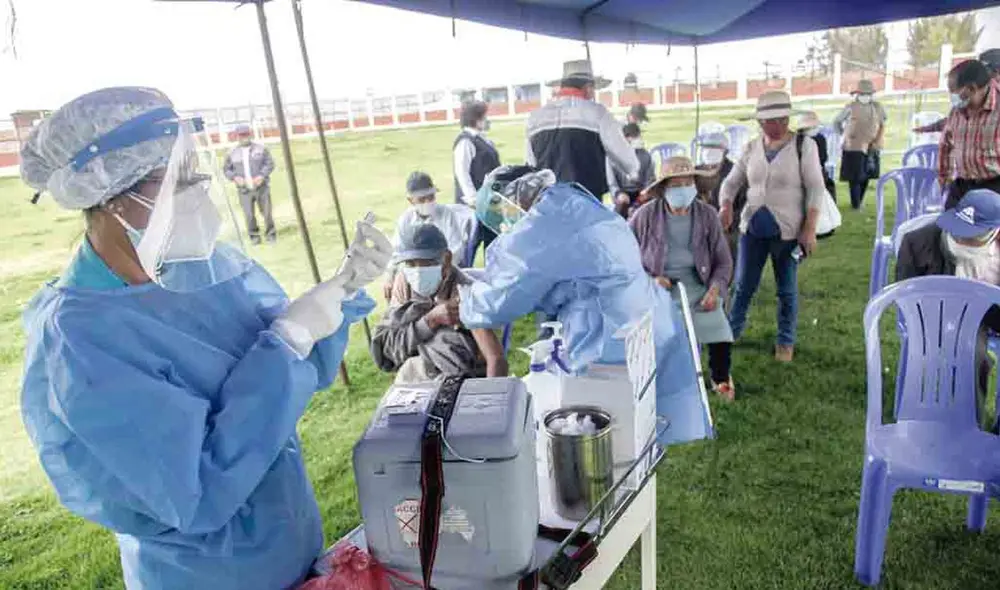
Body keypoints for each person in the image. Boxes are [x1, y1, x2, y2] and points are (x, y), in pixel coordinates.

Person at [17, 87, 393, 589]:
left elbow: (298, 375)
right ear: (109, 196)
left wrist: (336, 298)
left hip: (289, 541)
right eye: (175, 180)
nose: (196, 193)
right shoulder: (82, 337)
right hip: (206, 572)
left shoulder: (206, 267)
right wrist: (286, 341)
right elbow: (197, 490)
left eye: (196, 174)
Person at [465, 165, 712, 444]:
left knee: (603, 436)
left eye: (504, 214)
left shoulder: (543, 221)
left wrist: (466, 303)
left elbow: (502, 294)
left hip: (608, 337)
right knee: (638, 429)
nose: (508, 225)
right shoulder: (573, 201)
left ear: (514, 197)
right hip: (644, 316)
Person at [719, 90, 826, 363]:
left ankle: (785, 341)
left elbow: (816, 188)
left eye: (780, 119)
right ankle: (731, 330)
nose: (775, 125)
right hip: (752, 227)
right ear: (760, 122)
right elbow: (731, 182)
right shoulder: (751, 148)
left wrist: (809, 228)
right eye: (768, 120)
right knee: (743, 285)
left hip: (789, 231)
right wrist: (726, 204)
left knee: (786, 289)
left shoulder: (805, 146)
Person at [630, 156, 736, 400]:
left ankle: (720, 378)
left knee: (718, 327)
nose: (682, 191)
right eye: (675, 185)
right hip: (659, 288)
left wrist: (716, 289)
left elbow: (724, 261)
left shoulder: (707, 215)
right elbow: (625, 260)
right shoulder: (643, 216)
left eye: (687, 184)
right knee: (662, 332)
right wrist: (650, 281)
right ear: (663, 189)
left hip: (698, 285)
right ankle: (661, 376)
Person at [896, 189, 1000, 407]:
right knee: (973, 354)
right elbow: (907, 297)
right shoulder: (917, 243)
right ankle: (967, 422)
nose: (962, 238)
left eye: (972, 234)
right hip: (942, 314)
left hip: (991, 313)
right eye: (959, 231)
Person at [372, 223, 507, 383]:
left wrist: (490, 398)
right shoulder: (405, 282)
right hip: (417, 377)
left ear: (447, 259)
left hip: (459, 380)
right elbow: (389, 350)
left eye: (427, 263)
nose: (417, 271)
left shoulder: (465, 293)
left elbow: (496, 359)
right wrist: (431, 320)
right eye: (410, 264)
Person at [526, 59, 639, 200]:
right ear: (588, 87)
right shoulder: (598, 114)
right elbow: (627, 160)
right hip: (586, 200)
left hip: (548, 200)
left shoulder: (535, 118)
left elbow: (531, 165)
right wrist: (635, 175)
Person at [383, 171, 469, 299]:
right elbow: (396, 252)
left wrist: (439, 269)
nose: (428, 202)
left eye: (431, 197)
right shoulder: (405, 219)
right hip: (414, 272)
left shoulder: (446, 214)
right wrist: (389, 277)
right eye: (422, 199)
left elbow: (456, 249)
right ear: (411, 200)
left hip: (443, 270)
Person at [939, 59, 1000, 210]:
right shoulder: (958, 109)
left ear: (971, 88)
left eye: (954, 91)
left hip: (995, 187)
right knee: (948, 230)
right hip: (963, 185)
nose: (952, 96)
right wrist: (944, 175)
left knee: (987, 233)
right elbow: (946, 143)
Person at [453, 100, 502, 257]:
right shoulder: (465, 142)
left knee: (493, 245)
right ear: (476, 118)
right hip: (473, 206)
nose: (488, 119)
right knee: (469, 247)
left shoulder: (483, 140)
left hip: (490, 202)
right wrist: (474, 199)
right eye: (485, 116)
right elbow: (462, 172)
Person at [833, 79, 886, 210]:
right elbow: (836, 122)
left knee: (867, 175)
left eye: (867, 94)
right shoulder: (850, 107)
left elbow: (883, 123)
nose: (864, 96)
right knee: (855, 177)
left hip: (872, 145)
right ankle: (855, 204)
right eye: (862, 94)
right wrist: (843, 135)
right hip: (853, 146)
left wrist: (878, 141)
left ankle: (860, 200)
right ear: (857, 94)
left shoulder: (878, 107)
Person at [693, 133, 744, 261]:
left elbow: (743, 206)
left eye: (714, 148)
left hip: (728, 227)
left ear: (725, 152)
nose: (709, 152)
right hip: (701, 224)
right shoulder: (695, 172)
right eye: (706, 148)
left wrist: (726, 223)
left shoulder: (735, 173)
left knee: (728, 244)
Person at [223, 124, 276, 244]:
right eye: (241, 135)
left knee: (267, 213)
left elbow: (270, 164)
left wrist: (262, 176)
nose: (244, 137)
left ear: (250, 134)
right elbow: (226, 170)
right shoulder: (232, 153)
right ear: (237, 136)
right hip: (244, 190)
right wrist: (235, 177)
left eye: (246, 134)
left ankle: (271, 235)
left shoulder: (261, 149)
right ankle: (254, 237)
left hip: (261, 188)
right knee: (249, 215)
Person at [606, 122, 655, 217]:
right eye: (633, 137)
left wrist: (645, 192)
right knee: (622, 204)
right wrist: (618, 193)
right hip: (623, 192)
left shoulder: (645, 155)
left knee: (649, 204)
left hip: (641, 191)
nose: (637, 139)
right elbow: (612, 183)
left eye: (637, 136)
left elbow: (650, 179)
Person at [797, 111, 836, 202]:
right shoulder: (797, 140)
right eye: (811, 127)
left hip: (818, 170)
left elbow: (823, 158)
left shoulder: (820, 138)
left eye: (815, 127)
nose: (814, 129)